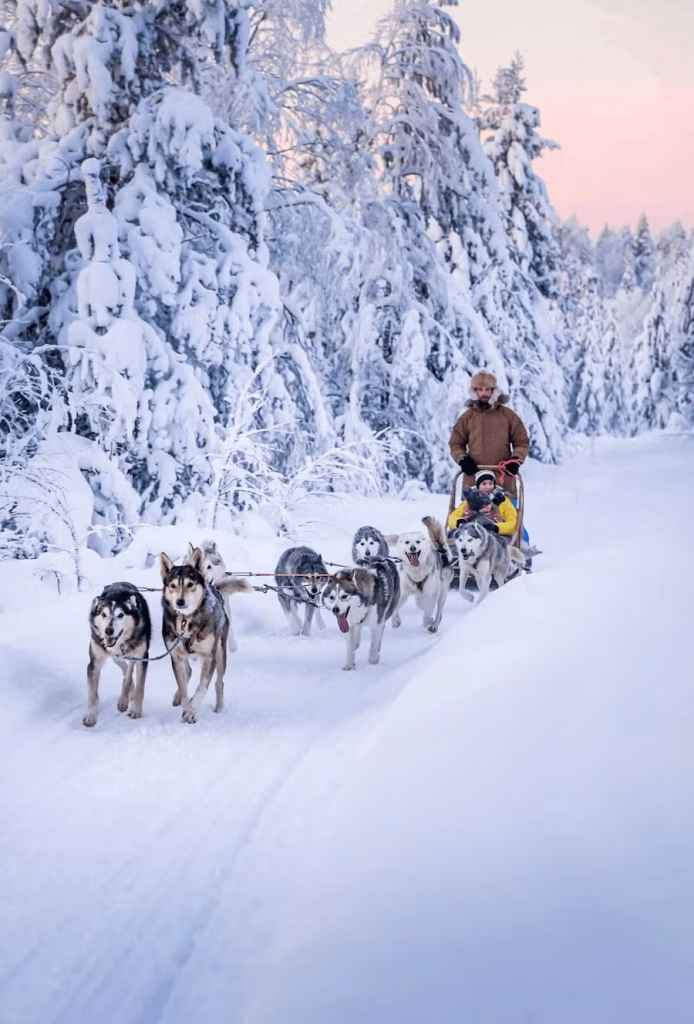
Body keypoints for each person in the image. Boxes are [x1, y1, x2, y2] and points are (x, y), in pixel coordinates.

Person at [449, 371, 529, 500]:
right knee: (470, 515)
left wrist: (515, 459)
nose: (484, 393)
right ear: (474, 391)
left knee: (507, 515)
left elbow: (521, 441)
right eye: (480, 389)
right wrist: (463, 459)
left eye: (487, 389)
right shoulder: (467, 418)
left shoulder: (508, 416)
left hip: (503, 476)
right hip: (474, 476)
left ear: (494, 391)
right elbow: (456, 443)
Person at [447, 470, 517, 535]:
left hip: (493, 532)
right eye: (484, 484)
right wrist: (459, 522)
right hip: (470, 529)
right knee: (451, 535)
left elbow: (512, 523)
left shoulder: (503, 500)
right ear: (478, 487)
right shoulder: (469, 501)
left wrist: (496, 528)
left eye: (490, 483)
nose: (488, 487)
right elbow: (452, 518)